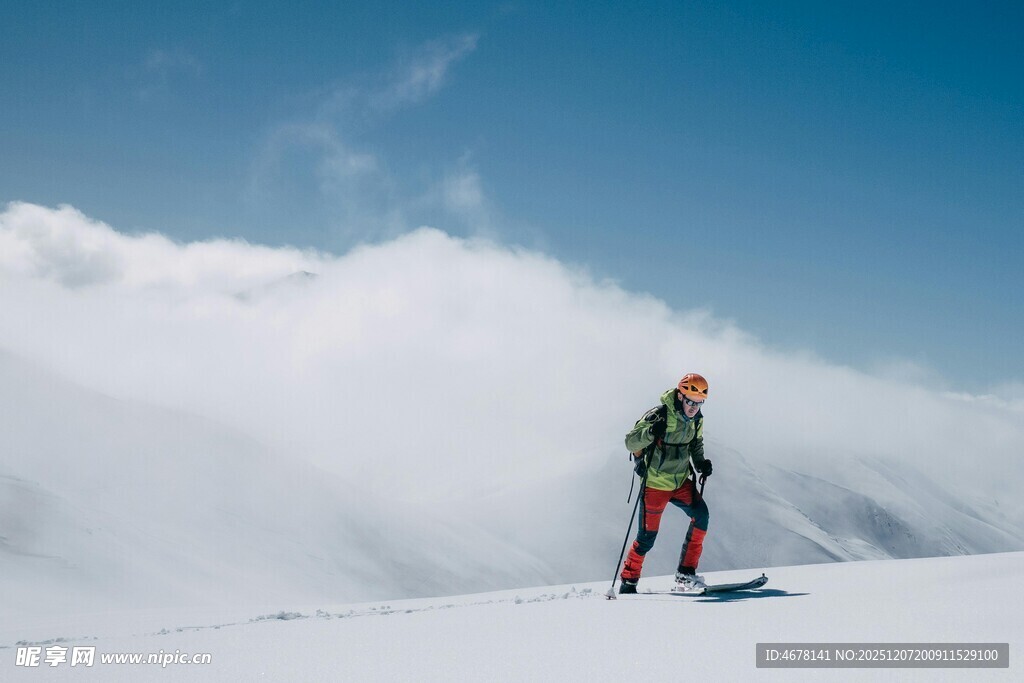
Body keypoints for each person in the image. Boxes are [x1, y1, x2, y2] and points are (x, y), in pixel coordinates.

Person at [618, 373, 713, 594]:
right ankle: (629, 581)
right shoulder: (660, 415)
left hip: (680, 481)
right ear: (680, 396)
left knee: (701, 515)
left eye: (699, 403)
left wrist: (700, 464)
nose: (694, 407)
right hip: (655, 485)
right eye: (690, 401)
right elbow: (630, 442)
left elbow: (695, 444)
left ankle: (686, 572)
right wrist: (651, 432)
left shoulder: (697, 419)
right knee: (647, 538)